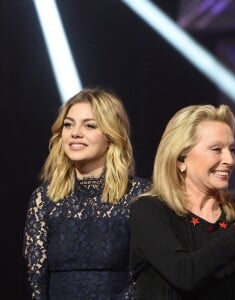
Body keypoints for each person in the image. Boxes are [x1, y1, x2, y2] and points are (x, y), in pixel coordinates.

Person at [130, 104, 235, 300]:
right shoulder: (150, 210)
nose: (230, 159)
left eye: (232, 149)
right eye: (216, 149)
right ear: (180, 159)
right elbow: (185, 274)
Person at [23, 87, 150, 300]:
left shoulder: (139, 195)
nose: (75, 133)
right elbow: (36, 281)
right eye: (68, 124)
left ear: (111, 135)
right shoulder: (43, 199)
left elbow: (146, 275)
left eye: (89, 125)